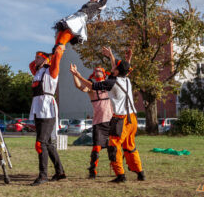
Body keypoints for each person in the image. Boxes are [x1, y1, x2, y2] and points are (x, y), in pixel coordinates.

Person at [70, 46, 145, 183]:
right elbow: (121, 69)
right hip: (133, 118)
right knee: (130, 146)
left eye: (114, 67)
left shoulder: (112, 83)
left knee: (113, 146)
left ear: (117, 71)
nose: (112, 68)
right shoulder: (126, 79)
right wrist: (111, 56)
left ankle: (120, 176)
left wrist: (78, 75)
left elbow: (92, 86)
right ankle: (140, 173)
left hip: (120, 119)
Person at [53, 0, 128, 49]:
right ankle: (57, 49)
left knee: (64, 37)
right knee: (59, 34)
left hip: (81, 18)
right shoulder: (93, 2)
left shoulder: (100, 4)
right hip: (76, 16)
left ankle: (61, 46)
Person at [29, 45, 67, 186]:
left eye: (38, 57)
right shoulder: (37, 71)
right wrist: (43, 57)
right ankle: (60, 172)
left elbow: (56, 60)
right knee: (48, 143)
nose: (35, 60)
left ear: (45, 60)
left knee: (40, 143)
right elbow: (31, 64)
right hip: (38, 109)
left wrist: (55, 52)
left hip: (47, 109)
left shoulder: (51, 70)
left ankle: (43, 176)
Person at [70, 65, 113, 179]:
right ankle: (92, 170)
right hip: (98, 122)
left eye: (100, 70)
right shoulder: (92, 88)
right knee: (96, 147)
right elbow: (79, 86)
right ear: (93, 75)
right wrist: (75, 74)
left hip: (111, 121)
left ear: (104, 74)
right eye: (96, 70)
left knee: (113, 147)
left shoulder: (110, 85)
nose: (97, 71)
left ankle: (116, 168)